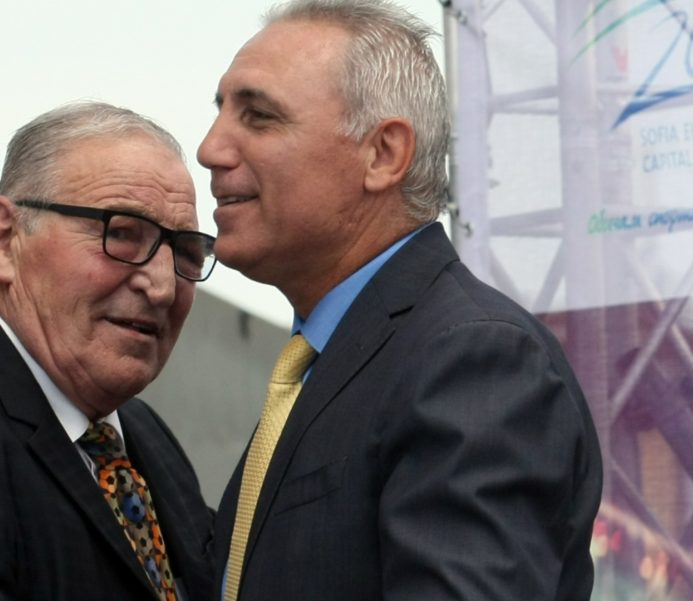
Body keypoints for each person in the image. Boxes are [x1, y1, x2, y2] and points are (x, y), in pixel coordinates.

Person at [197, 1, 604, 599]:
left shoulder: (475, 361)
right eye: (220, 112)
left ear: (383, 154)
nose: (210, 149)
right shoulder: (333, 363)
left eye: (258, 117)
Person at [0, 101, 218, 600]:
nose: (162, 287)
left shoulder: (142, 434)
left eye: (186, 253)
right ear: (4, 240)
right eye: (122, 234)